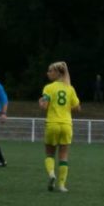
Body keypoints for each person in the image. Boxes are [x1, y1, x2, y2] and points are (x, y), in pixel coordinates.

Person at [39, 61, 81, 193]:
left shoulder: (48, 88)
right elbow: (78, 108)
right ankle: (62, 185)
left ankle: (51, 174)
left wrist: (40, 102)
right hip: (66, 124)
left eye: (50, 71)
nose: (48, 73)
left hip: (52, 124)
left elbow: (44, 107)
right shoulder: (70, 88)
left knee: (49, 153)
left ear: (57, 73)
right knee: (63, 156)